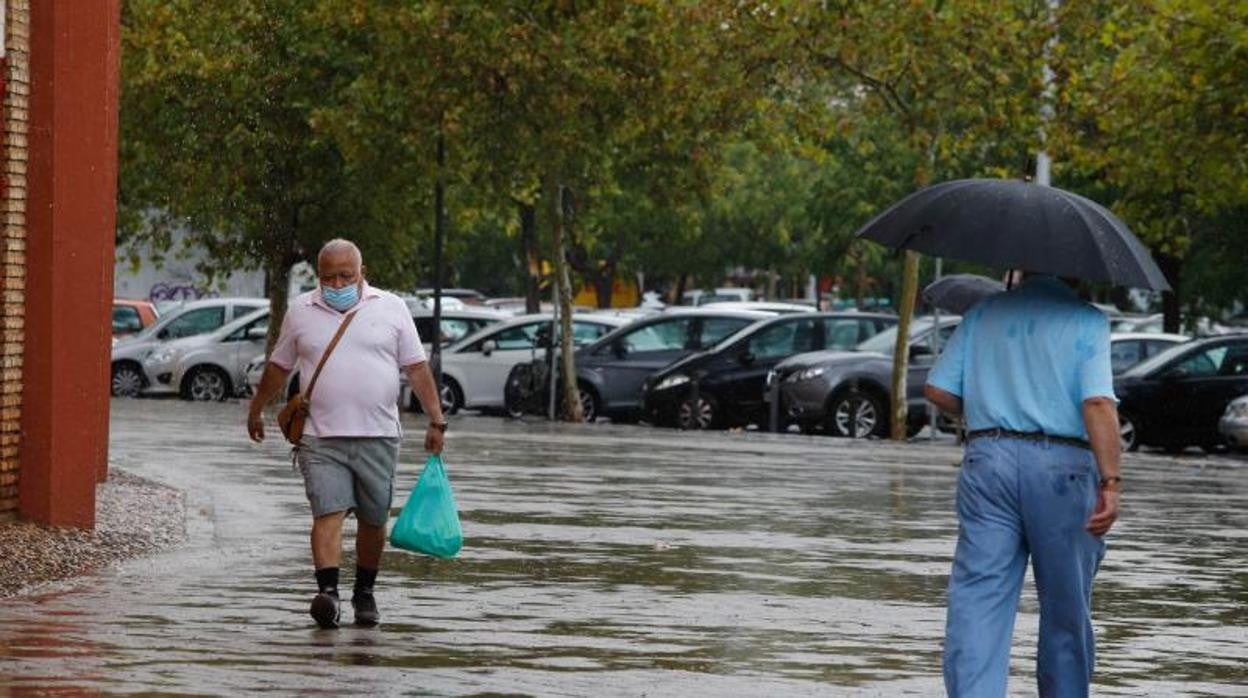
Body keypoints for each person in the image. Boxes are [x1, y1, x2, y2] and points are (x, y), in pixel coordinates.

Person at [923, 273, 1121, 697]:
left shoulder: (983, 313)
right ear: (1075, 269)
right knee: (1065, 604)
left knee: (979, 597)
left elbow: (937, 389)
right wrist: (1111, 481)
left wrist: (986, 411)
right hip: (1062, 468)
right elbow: (1098, 403)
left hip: (987, 460)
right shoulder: (1086, 320)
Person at [247, 239, 447, 629]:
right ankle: (328, 594)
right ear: (318, 277)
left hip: (379, 436)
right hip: (320, 437)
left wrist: (436, 421)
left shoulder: (391, 308)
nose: (337, 284)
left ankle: (364, 593)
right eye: (328, 277)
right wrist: (256, 410)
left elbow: (417, 368)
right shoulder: (301, 311)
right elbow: (278, 366)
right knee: (328, 512)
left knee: (373, 520)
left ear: (362, 273)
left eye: (345, 276)